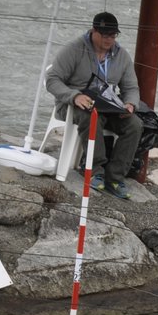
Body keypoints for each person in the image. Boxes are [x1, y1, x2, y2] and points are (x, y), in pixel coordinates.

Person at [45, 11, 141, 200]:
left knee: (135, 125)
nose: (109, 39)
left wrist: (130, 104)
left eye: (113, 35)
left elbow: (131, 87)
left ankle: (115, 176)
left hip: (108, 104)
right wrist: (75, 96)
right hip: (74, 105)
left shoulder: (121, 55)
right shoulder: (74, 49)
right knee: (91, 116)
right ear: (93, 31)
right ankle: (94, 170)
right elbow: (52, 80)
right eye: (105, 35)